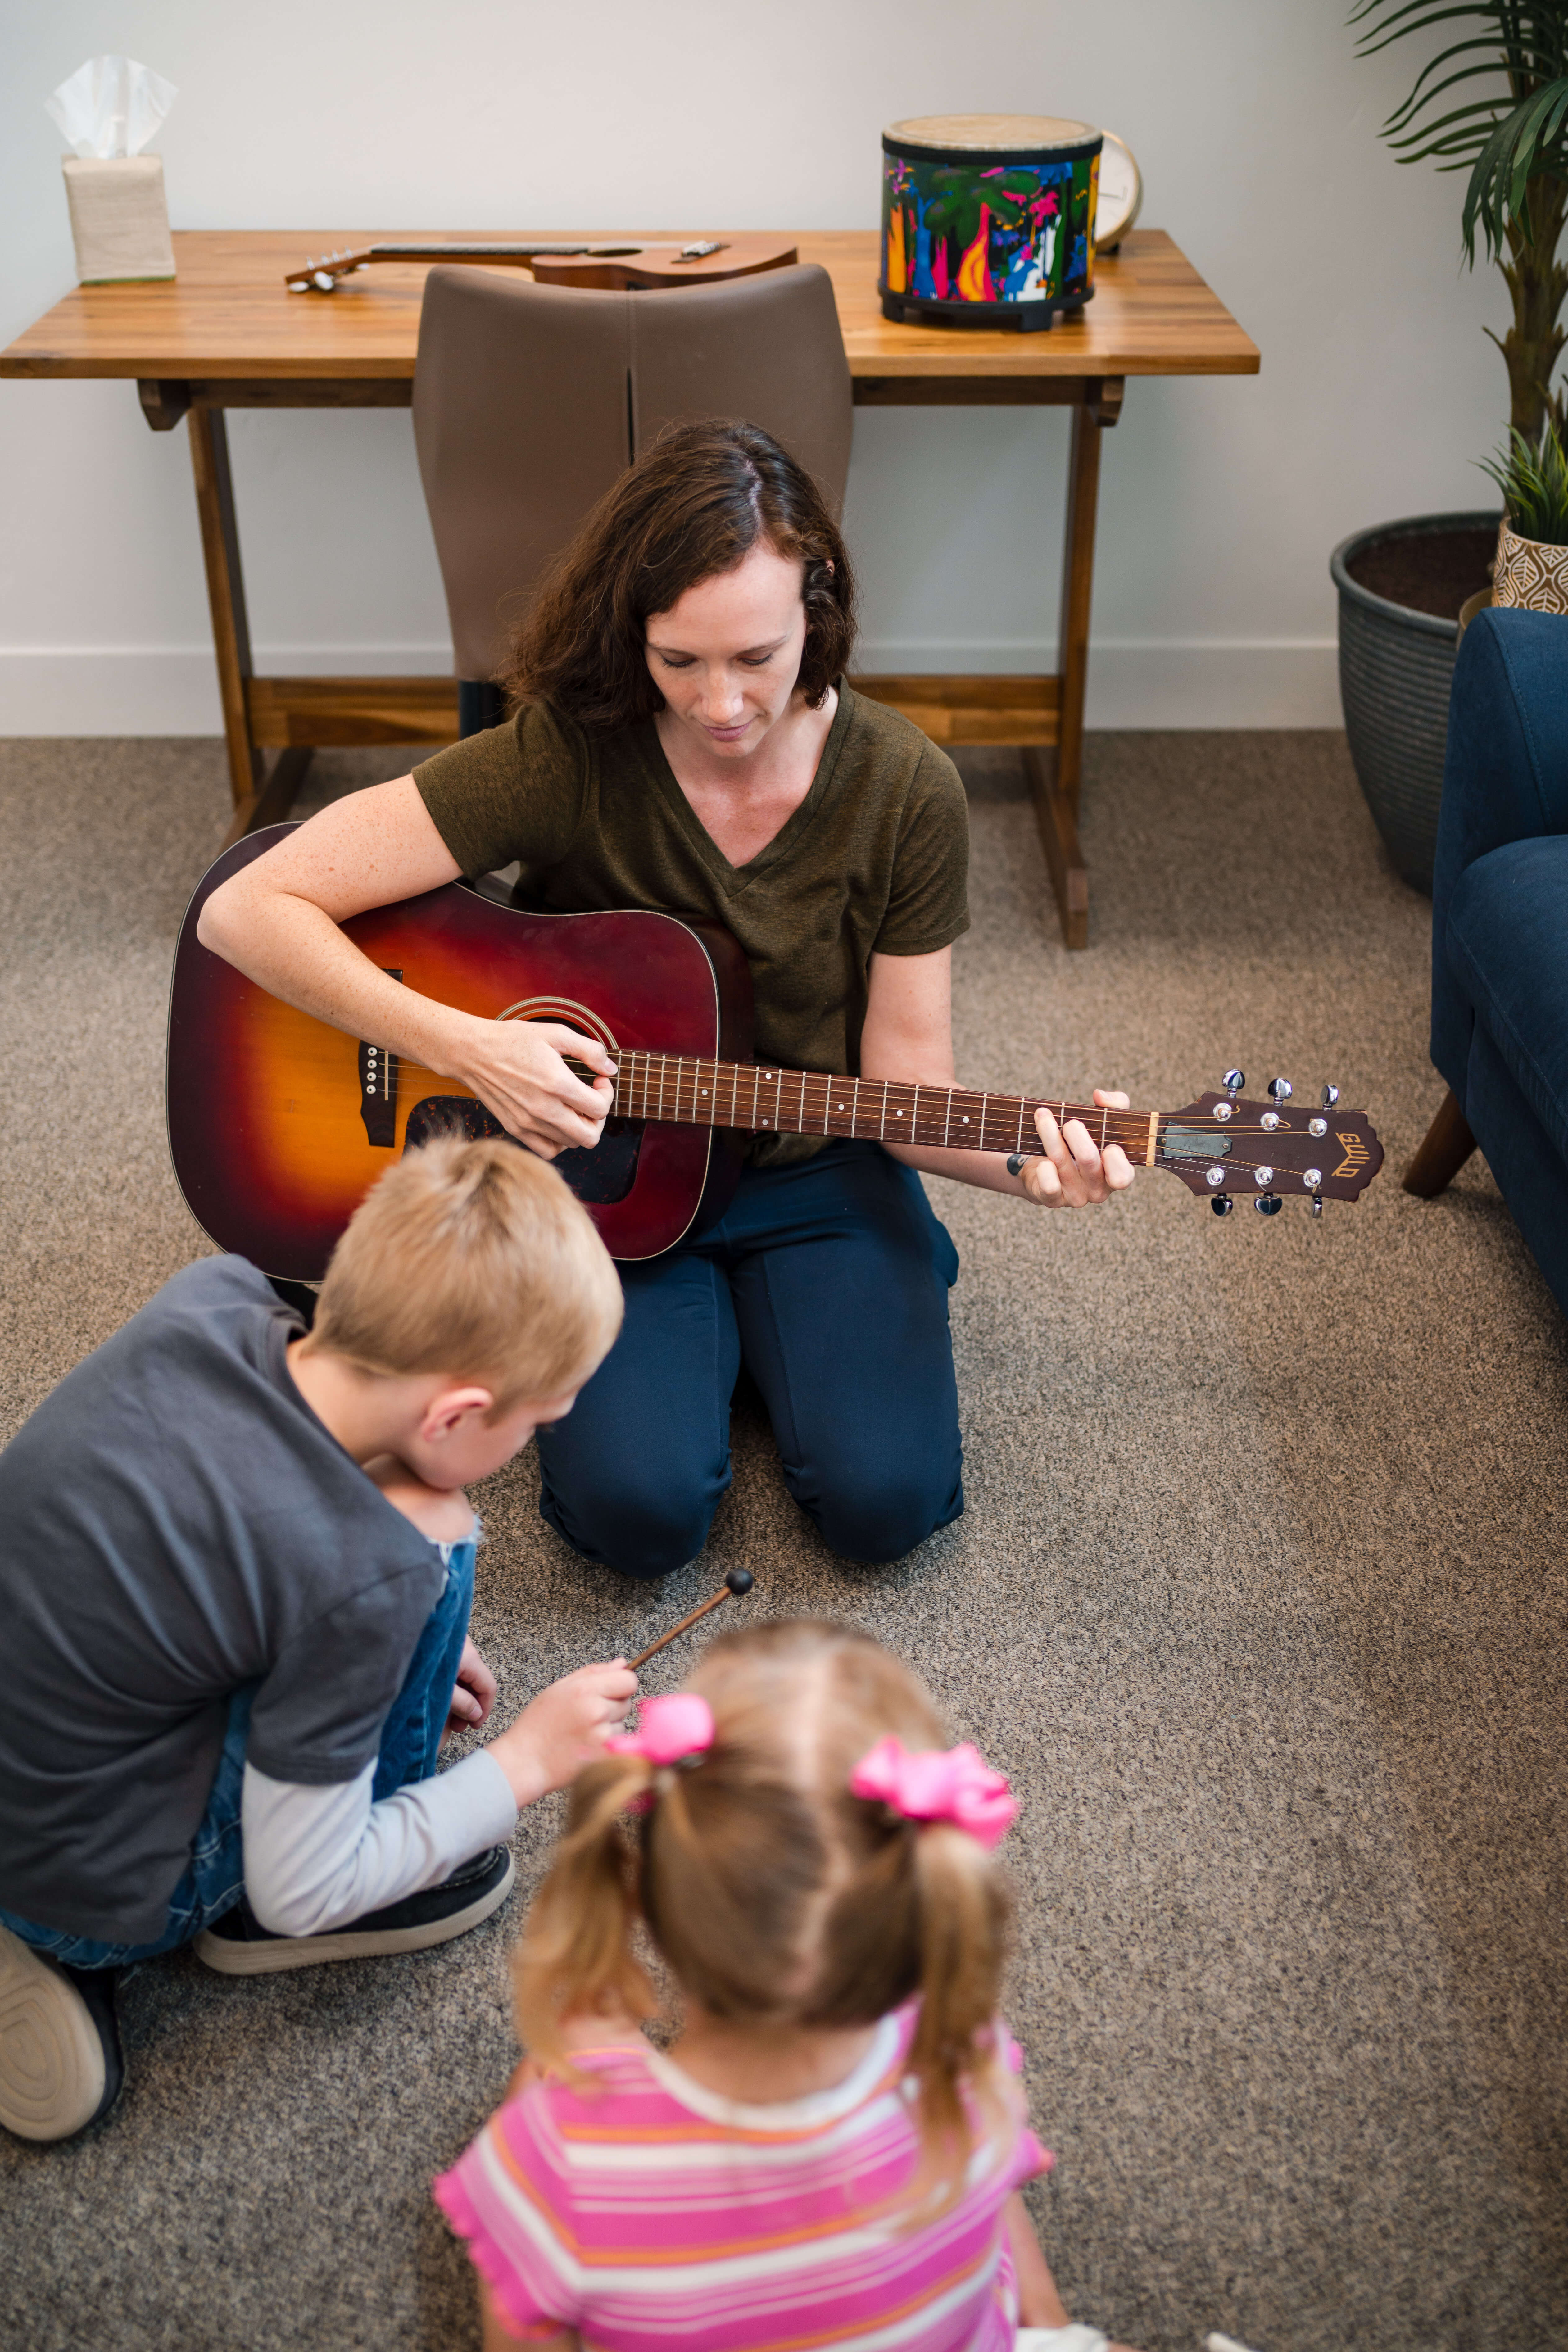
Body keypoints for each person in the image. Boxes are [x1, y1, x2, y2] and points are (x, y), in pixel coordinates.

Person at [197, 419, 1134, 1583]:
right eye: (678, 659)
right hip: (602, 1184)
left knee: (886, 1504)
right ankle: (745, 1345)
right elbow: (246, 907)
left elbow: (906, 1092)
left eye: (757, 655)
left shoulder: (906, 789)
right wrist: (466, 1045)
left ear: (820, 609)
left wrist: (1042, 1171)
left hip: (815, 1169)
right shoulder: (569, 754)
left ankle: (798, 1309)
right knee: (639, 1517)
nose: (721, 702)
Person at [0, 1137, 637, 2144]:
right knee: (437, 1523)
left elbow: (217, 1544)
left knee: (399, 1526)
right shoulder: (365, 1575)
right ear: (460, 1411)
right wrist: (527, 1760)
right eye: (540, 1422)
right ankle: (81, 1942)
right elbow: (308, 1884)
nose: (541, 1439)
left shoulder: (216, 1295)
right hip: (86, 1884)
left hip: (41, 1722)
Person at [435, 1618, 1137, 2352]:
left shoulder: (561, 2159)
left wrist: (581, 2087)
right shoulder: (958, 2053)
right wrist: (1048, 2323)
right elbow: (995, 2206)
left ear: (644, 1899)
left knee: (544, 2066)